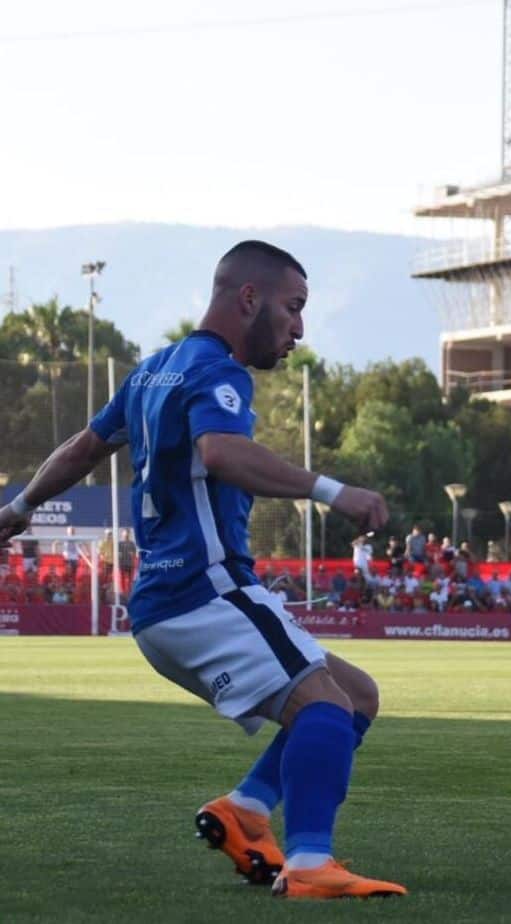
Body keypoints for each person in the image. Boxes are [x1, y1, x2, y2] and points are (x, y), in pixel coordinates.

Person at [0, 241, 406, 900]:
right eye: (294, 307)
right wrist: (333, 491)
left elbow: (82, 448)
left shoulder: (153, 370)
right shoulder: (220, 372)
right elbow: (221, 454)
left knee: (356, 696)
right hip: (206, 589)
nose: (299, 328)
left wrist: (19, 506)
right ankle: (308, 865)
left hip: (164, 604)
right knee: (328, 708)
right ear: (250, 298)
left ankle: (246, 811)